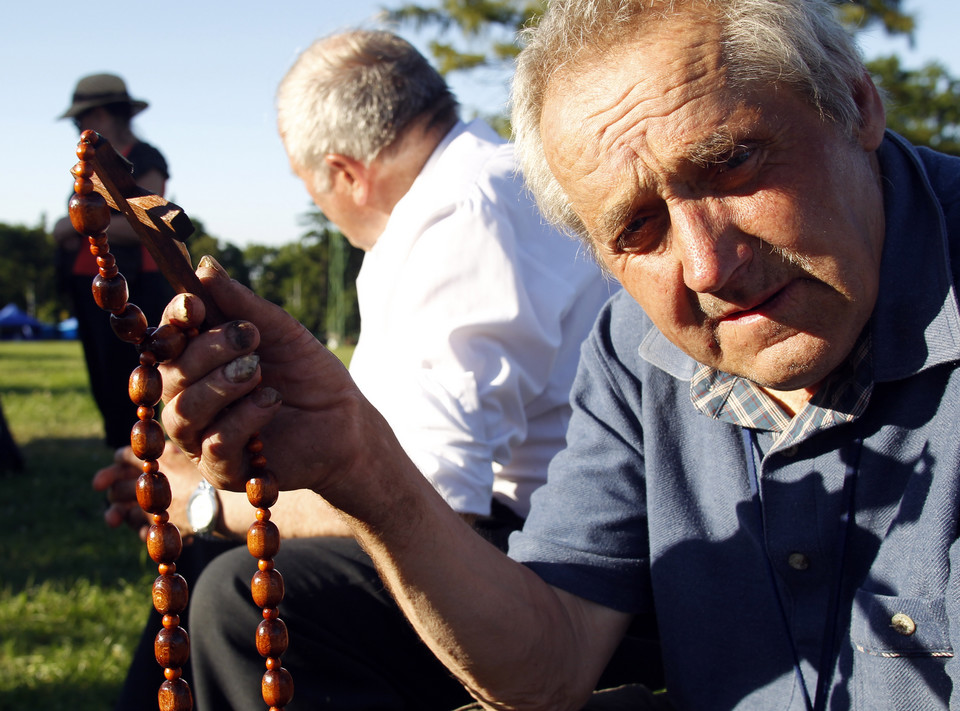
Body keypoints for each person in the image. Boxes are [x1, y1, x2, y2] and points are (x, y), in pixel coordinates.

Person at [147, 0, 960, 707]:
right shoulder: (634, 346)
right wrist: (358, 465)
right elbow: (550, 663)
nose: (709, 265)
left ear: (856, 103)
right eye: (637, 229)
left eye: (731, 162)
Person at [96, 30, 619, 710]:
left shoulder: (459, 216)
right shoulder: (488, 181)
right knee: (204, 566)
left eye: (308, 183)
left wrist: (201, 503)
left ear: (344, 171)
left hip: (535, 557)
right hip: (536, 527)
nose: (320, 203)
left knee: (237, 596)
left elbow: (435, 493)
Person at [53, 73, 174, 448]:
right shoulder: (88, 166)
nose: (76, 127)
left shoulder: (145, 158)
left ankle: (141, 456)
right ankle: (119, 453)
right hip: (91, 284)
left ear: (102, 116)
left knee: (134, 378)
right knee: (104, 378)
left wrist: (80, 225)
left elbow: (149, 222)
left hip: (136, 285)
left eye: (80, 119)